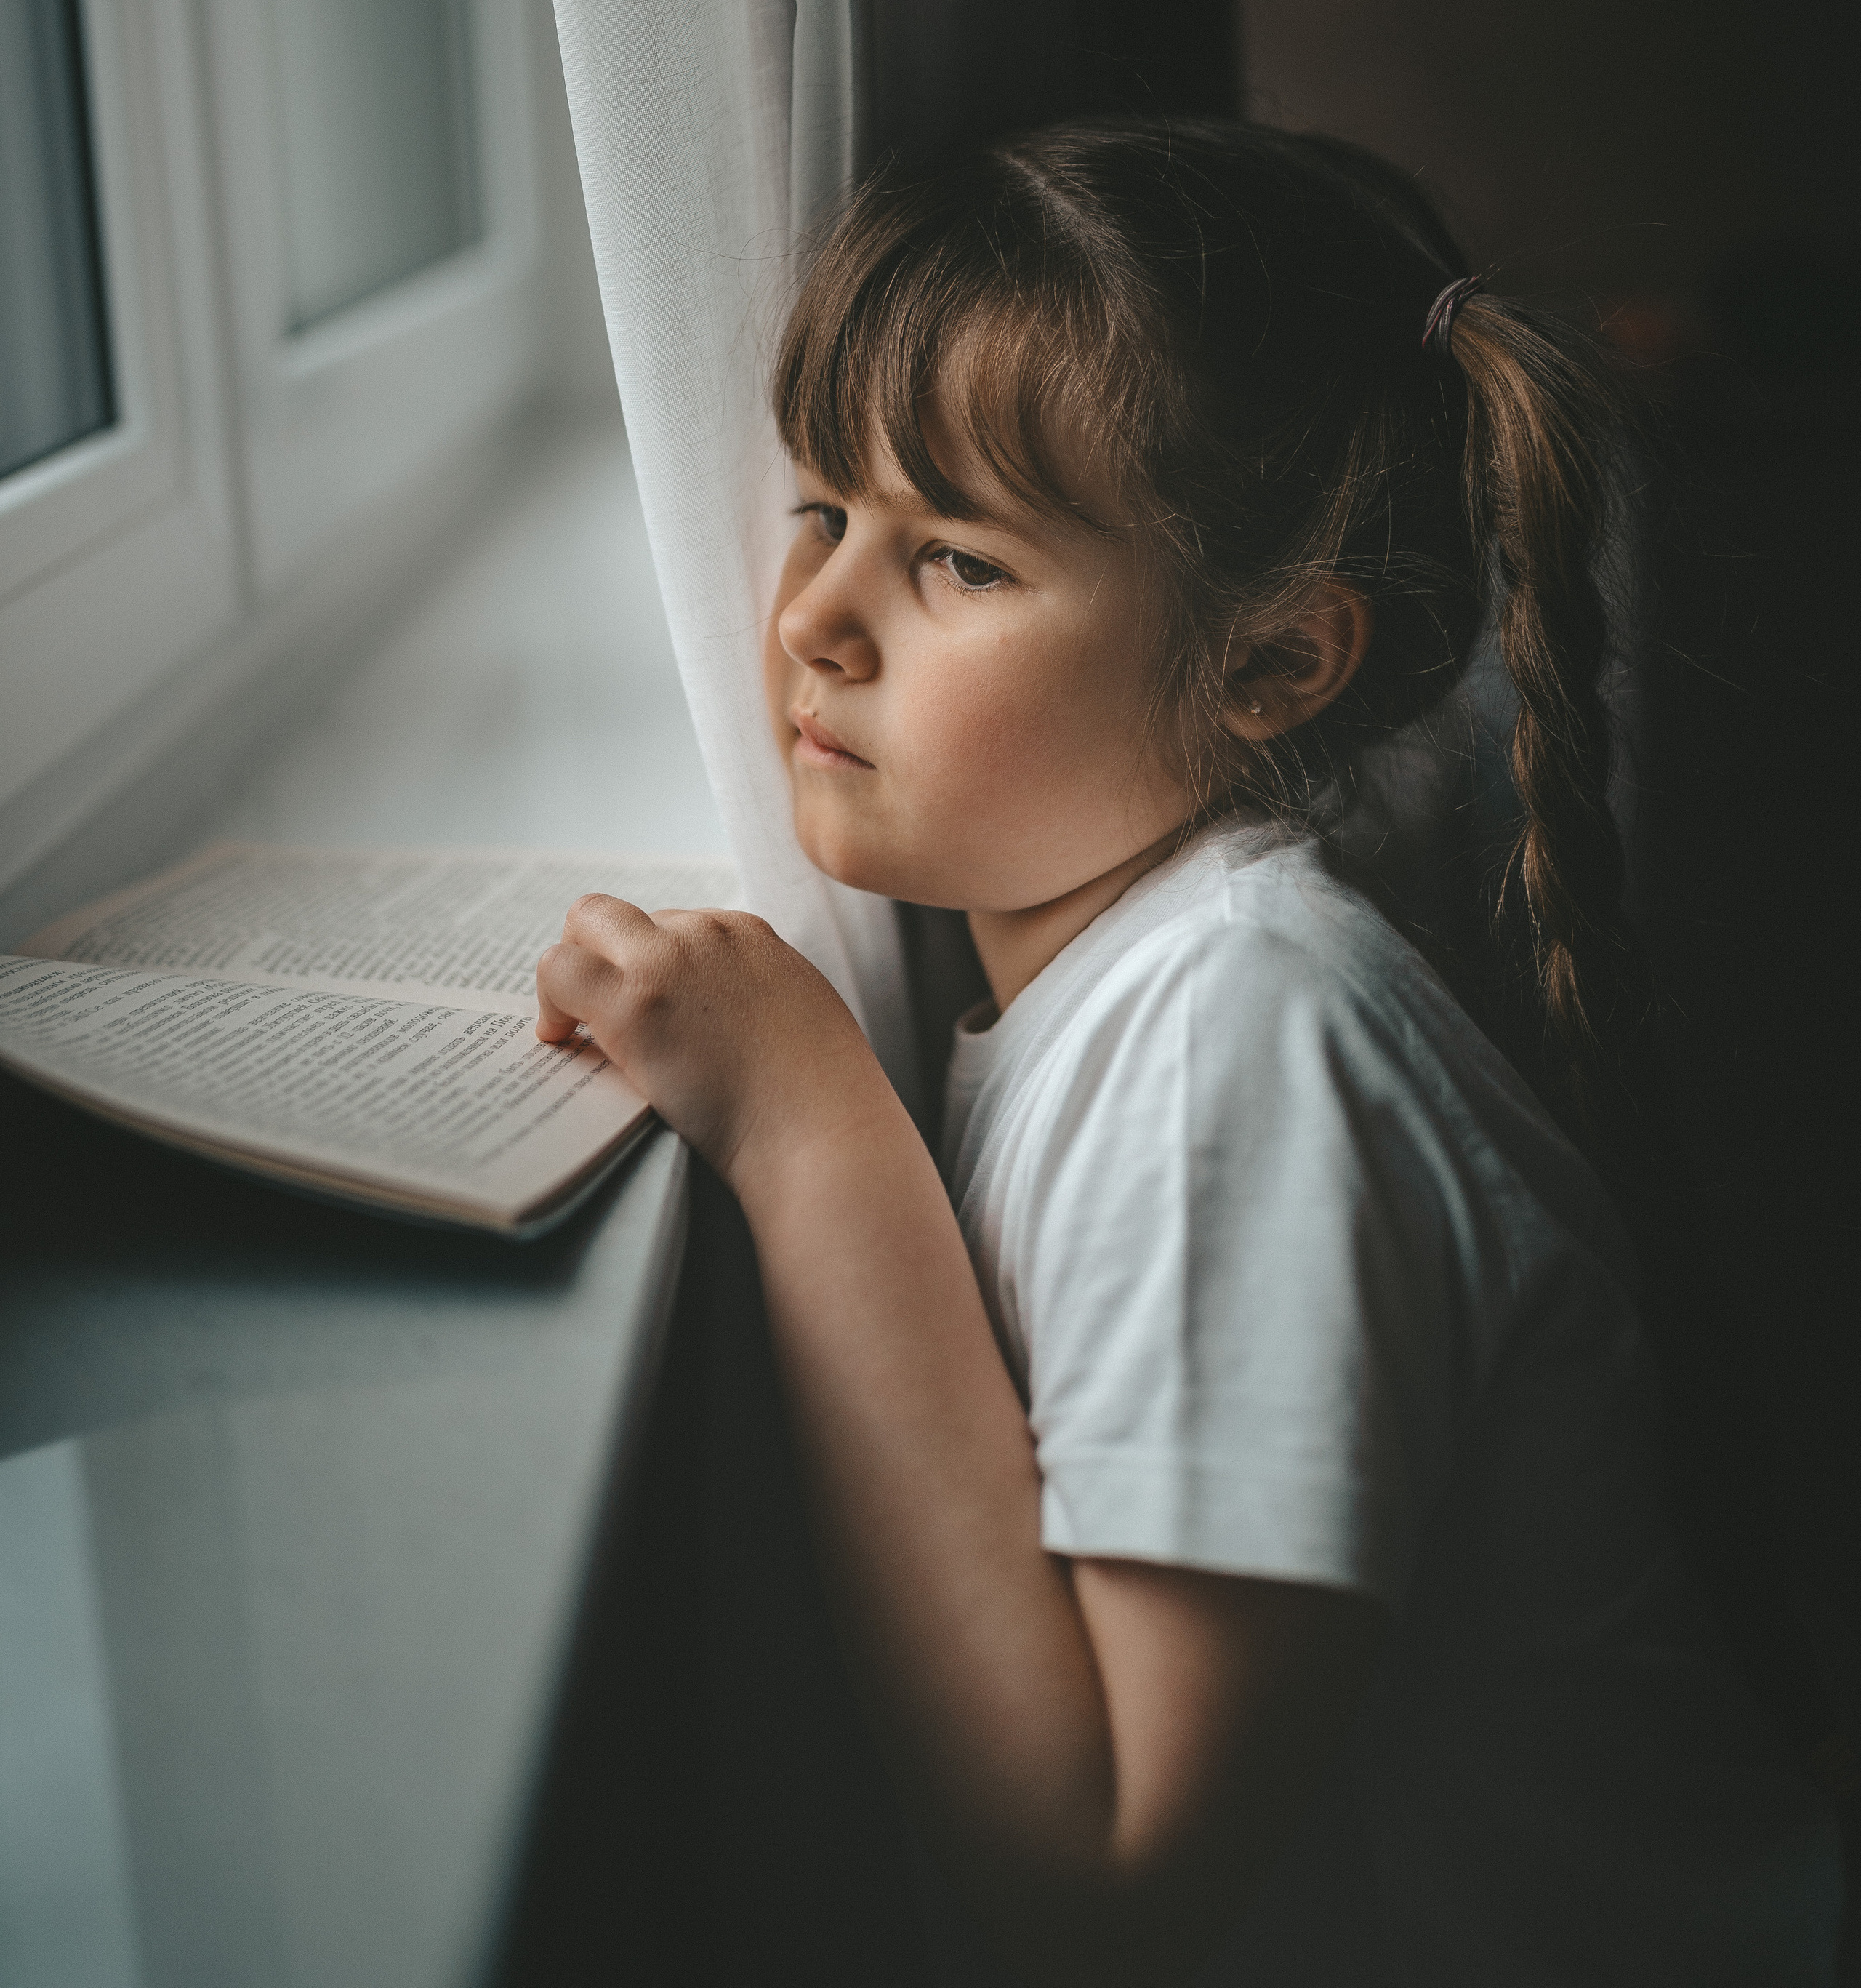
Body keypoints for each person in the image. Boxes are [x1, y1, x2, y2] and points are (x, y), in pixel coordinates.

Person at [536, 117, 1841, 1984]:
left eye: (958, 564)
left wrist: (808, 1129)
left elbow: (1107, 1871)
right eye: (826, 510)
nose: (813, 617)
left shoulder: (1242, 1041)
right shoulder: (1142, 991)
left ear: (1270, 670)